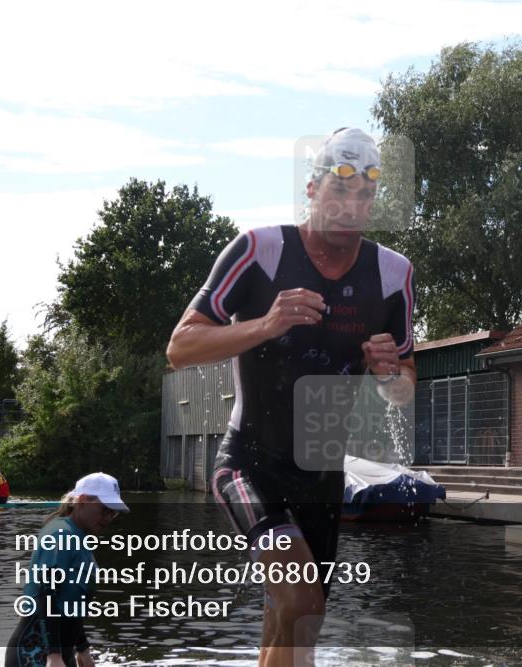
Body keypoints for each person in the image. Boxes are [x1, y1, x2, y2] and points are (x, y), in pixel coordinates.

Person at [167, 127, 416, 667]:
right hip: (250, 464)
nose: (350, 207)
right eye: (339, 190)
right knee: (301, 603)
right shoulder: (260, 250)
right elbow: (180, 347)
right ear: (312, 189)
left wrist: (389, 371)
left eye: (364, 195)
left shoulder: (393, 274)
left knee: (295, 617)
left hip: (321, 477)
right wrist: (266, 324)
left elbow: (403, 389)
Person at [6, 472, 128, 667]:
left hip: (60, 653)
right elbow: (47, 592)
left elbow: (70, 602)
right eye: (104, 509)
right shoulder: (61, 534)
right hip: (34, 655)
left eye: (113, 512)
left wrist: (82, 649)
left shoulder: (78, 537)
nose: (107, 517)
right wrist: (53, 655)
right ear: (82, 500)